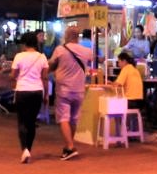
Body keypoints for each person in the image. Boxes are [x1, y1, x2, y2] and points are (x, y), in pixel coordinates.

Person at [49, 23, 94, 160]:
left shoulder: (60, 49)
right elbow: (92, 61)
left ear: (66, 36)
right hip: (79, 90)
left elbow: (51, 64)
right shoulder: (87, 51)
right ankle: (69, 146)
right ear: (78, 37)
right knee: (73, 119)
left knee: (63, 118)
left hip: (64, 89)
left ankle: (70, 146)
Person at [10, 35, 48, 163]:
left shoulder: (19, 56)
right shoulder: (42, 57)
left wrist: (12, 76)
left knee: (22, 121)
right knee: (31, 122)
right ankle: (29, 150)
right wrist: (46, 95)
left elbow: (13, 75)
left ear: (25, 44)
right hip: (37, 91)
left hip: (22, 90)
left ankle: (24, 149)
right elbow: (45, 78)